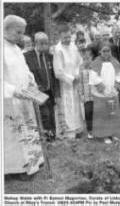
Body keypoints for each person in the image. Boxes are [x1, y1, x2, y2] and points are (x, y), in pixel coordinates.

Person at [3, 15, 44, 177]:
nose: (21, 37)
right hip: (9, 100)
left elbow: (25, 70)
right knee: (14, 135)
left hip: (25, 98)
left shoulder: (16, 49)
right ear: (6, 29)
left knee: (29, 130)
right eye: (18, 32)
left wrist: (31, 81)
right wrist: (14, 90)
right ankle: (17, 169)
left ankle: (34, 162)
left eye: (22, 33)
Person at [24, 32, 59, 141]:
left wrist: (57, 93)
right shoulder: (27, 56)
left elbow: (54, 75)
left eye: (46, 43)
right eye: (42, 43)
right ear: (35, 43)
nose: (44, 46)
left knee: (52, 115)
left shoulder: (50, 56)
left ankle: (53, 137)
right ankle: (47, 139)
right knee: (45, 115)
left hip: (50, 91)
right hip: (38, 91)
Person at [53, 24, 84, 139]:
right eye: (65, 37)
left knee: (76, 105)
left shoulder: (73, 46)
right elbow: (58, 71)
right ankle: (69, 131)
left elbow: (79, 62)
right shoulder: (58, 49)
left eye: (68, 37)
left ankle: (78, 128)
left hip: (75, 81)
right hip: (65, 83)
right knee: (67, 107)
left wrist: (76, 75)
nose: (67, 39)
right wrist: (71, 79)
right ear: (60, 36)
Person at [90, 42, 120, 139]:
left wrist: (116, 85)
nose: (106, 53)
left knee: (112, 114)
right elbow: (94, 76)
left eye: (108, 51)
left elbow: (119, 75)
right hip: (101, 93)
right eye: (104, 51)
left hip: (112, 91)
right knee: (103, 115)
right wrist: (101, 87)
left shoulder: (114, 61)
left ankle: (112, 133)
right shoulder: (96, 62)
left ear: (111, 51)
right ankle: (104, 135)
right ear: (99, 52)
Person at [79, 47, 100, 139]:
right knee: (88, 112)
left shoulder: (96, 67)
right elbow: (80, 83)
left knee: (96, 113)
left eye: (88, 58)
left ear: (92, 58)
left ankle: (98, 130)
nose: (86, 60)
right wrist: (82, 95)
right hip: (87, 96)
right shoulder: (80, 68)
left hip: (96, 95)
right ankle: (90, 131)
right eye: (84, 59)